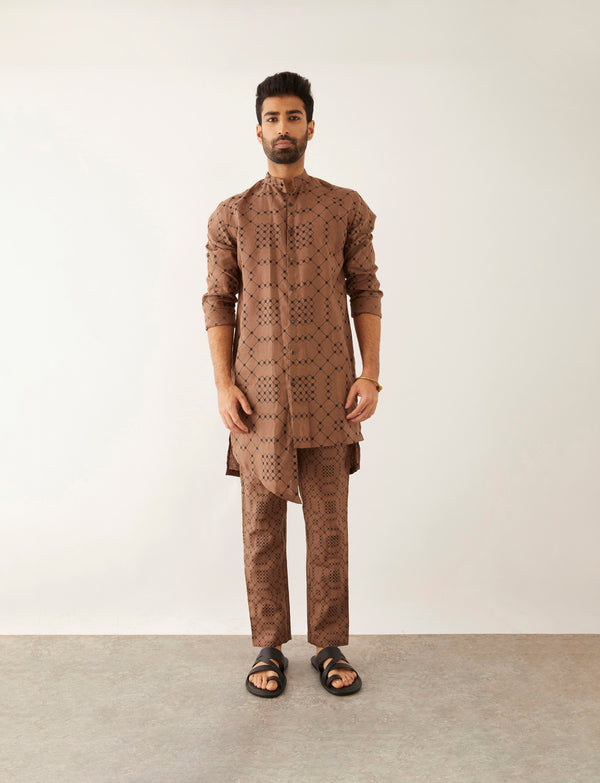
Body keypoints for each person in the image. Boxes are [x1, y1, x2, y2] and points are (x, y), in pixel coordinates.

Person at [202, 71, 383, 697]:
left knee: (329, 526)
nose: (283, 128)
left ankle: (329, 644)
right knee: (261, 527)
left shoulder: (346, 208)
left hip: (331, 393)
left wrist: (370, 374)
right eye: (273, 118)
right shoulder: (231, 215)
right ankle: (268, 646)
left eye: (294, 117)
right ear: (258, 131)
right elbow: (217, 300)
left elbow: (366, 290)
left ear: (310, 126)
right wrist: (223, 385)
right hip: (257, 398)